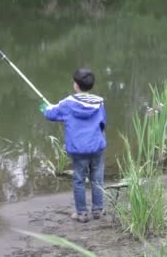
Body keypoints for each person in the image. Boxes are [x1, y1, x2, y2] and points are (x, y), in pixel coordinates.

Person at [40, 68, 107, 223]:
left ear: (75, 85)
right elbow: (103, 122)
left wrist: (44, 107)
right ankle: (98, 210)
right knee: (97, 179)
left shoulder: (67, 103)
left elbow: (51, 114)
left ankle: (82, 213)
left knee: (79, 180)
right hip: (97, 146)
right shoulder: (99, 102)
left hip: (78, 149)